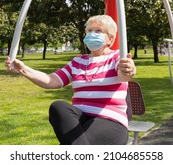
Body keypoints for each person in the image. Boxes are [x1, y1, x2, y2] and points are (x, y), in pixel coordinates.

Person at [5, 15, 136, 145]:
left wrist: (128, 70)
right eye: (89, 31)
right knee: (58, 106)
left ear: (110, 38)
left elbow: (124, 74)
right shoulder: (77, 61)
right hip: (79, 118)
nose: (92, 34)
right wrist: (23, 69)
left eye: (98, 31)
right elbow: (52, 81)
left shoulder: (116, 57)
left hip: (109, 120)